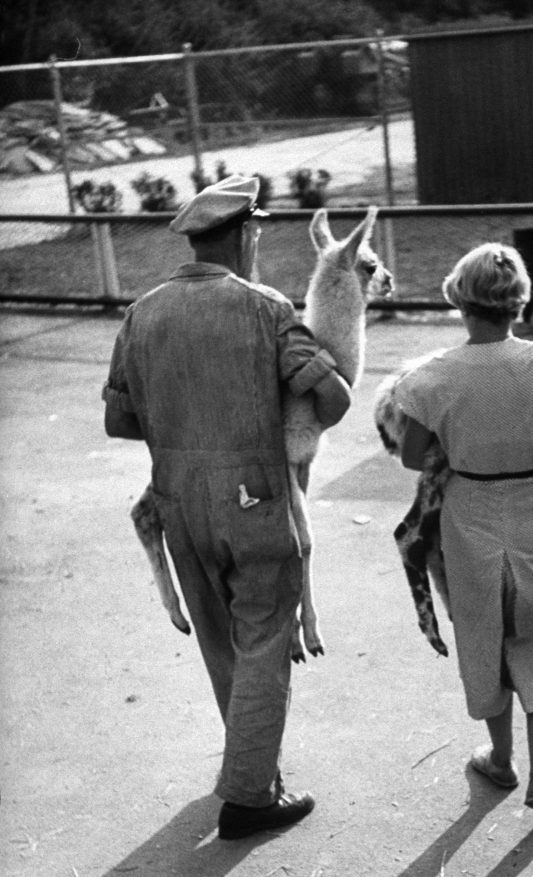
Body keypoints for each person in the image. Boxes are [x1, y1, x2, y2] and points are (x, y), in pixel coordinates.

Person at [102, 175, 351, 840]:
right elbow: (333, 398)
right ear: (245, 235)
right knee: (266, 638)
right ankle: (248, 797)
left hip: (181, 502)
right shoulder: (266, 308)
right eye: (258, 232)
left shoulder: (143, 313)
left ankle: (254, 772)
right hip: (258, 502)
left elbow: (119, 421)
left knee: (221, 643)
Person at [394, 243, 533, 819]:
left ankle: (500, 757)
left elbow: (414, 458)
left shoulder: (431, 378)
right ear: (519, 304)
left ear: (458, 302)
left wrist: (464, 434)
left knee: (485, 632)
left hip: (473, 516)